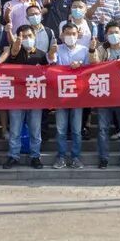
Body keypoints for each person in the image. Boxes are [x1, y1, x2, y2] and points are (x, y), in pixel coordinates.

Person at [91, 21, 120, 169]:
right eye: (110, 33)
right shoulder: (100, 50)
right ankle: (103, 158)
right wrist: (92, 50)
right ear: (106, 35)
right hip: (105, 95)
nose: (114, 35)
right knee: (102, 129)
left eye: (116, 32)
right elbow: (93, 65)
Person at [2, 24, 49, 170]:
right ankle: (13, 156)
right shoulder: (15, 52)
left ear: (35, 36)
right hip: (17, 98)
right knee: (15, 129)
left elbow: (48, 75)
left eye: (30, 36)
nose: (27, 39)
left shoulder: (41, 55)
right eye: (23, 37)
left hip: (35, 98)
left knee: (35, 130)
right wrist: (13, 49)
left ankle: (35, 156)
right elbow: (7, 63)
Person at [50, 23, 90, 169]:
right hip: (61, 96)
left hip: (77, 96)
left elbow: (90, 70)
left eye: (73, 34)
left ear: (78, 35)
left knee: (76, 130)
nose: (71, 36)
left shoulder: (84, 50)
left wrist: (80, 66)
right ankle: (61, 156)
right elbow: (51, 67)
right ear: (62, 35)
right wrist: (51, 54)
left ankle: (75, 157)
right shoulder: (57, 49)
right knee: (61, 129)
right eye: (67, 33)